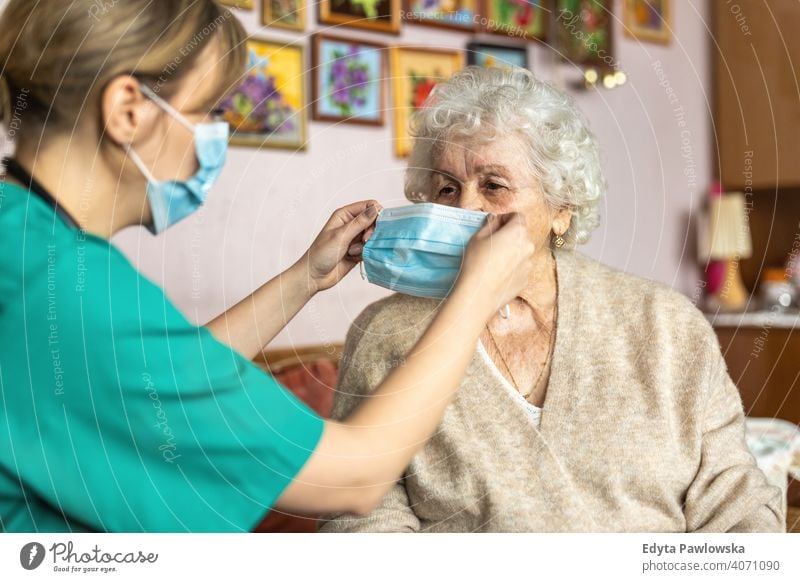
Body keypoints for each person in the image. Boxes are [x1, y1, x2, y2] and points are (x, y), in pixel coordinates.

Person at [0, 2, 535, 532]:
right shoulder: (66, 287)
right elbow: (356, 477)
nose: (217, 136)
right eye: (208, 111)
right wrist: (476, 294)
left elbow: (156, 384)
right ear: (128, 111)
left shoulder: (25, 245)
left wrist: (307, 278)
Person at [319, 66, 785, 533]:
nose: (464, 208)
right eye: (446, 188)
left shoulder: (664, 324)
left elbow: (737, 501)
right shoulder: (385, 334)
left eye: (493, 185)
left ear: (561, 209)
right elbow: (359, 519)